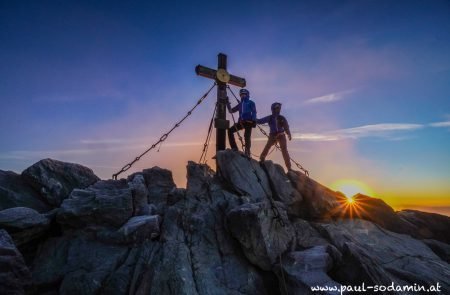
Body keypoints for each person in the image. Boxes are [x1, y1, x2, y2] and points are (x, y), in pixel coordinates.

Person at [257, 102, 292, 170]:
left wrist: (289, 133)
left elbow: (286, 126)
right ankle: (262, 159)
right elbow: (260, 121)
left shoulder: (281, 118)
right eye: (276, 108)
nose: (278, 109)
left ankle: (289, 168)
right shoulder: (270, 117)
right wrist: (253, 119)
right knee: (268, 146)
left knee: (284, 150)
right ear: (273, 109)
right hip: (273, 136)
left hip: (281, 135)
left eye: (278, 108)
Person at [227, 88, 257, 157]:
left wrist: (254, 120)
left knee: (247, 136)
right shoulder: (240, 104)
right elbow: (231, 111)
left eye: (244, 94)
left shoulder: (251, 103)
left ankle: (247, 152)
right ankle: (234, 148)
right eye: (241, 95)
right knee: (230, 130)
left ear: (247, 95)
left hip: (249, 122)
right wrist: (227, 103)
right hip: (241, 122)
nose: (242, 96)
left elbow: (254, 112)